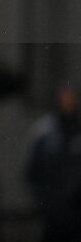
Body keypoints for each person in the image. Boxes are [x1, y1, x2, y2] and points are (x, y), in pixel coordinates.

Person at [25, 85, 81, 242]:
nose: (68, 102)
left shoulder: (77, 131)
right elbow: (32, 172)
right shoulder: (45, 133)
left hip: (76, 210)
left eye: (71, 98)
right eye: (65, 98)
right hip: (51, 212)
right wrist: (45, 201)